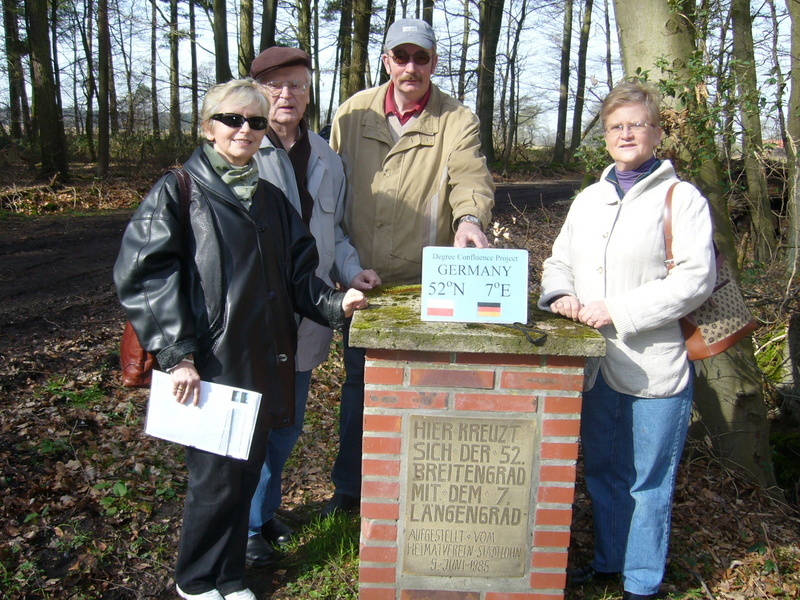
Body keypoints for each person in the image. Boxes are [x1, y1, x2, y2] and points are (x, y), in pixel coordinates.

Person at [113, 78, 367, 600]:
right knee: (213, 480)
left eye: (254, 122)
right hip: (210, 361)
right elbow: (144, 274)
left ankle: (227, 577)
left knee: (245, 471)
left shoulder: (270, 199)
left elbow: (300, 275)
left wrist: (331, 305)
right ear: (209, 127)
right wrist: (178, 353)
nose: (245, 130)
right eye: (233, 119)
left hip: (264, 358)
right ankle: (195, 580)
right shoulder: (179, 189)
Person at [537, 81, 716, 600]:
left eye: (636, 124)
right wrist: (560, 294)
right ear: (606, 137)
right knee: (604, 473)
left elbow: (694, 279)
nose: (626, 133)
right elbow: (558, 259)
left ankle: (641, 583)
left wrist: (616, 310)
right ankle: (609, 561)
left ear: (656, 132)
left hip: (654, 367)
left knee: (648, 483)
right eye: (616, 126)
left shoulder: (681, 199)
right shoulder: (590, 198)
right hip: (595, 365)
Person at [324, 18, 495, 516]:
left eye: (421, 58)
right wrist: (337, 259)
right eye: (401, 56)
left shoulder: (456, 118)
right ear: (386, 61)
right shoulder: (352, 113)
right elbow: (332, 187)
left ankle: (417, 487)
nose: (410, 67)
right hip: (363, 281)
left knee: (424, 388)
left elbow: (470, 179)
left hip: (427, 285)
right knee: (359, 388)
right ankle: (351, 489)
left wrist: (468, 220)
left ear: (433, 63)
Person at [243, 47, 380, 566]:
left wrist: (353, 271)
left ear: (308, 92)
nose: (286, 95)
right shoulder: (242, 146)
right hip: (256, 317)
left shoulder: (326, 155)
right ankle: (248, 528)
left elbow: (335, 232)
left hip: (310, 313)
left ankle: (265, 512)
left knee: (288, 423)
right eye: (275, 85)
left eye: (296, 85)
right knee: (255, 425)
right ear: (257, 89)